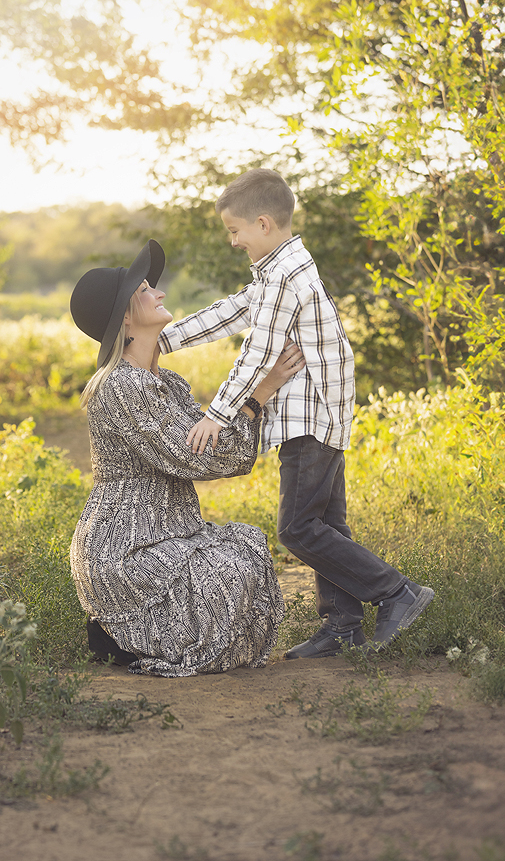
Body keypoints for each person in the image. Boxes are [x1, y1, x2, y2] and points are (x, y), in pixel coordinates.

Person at [158, 168, 434, 657]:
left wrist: (217, 415)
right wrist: (163, 340)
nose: (233, 241)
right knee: (327, 524)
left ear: (263, 224)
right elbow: (229, 313)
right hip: (317, 414)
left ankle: (397, 592)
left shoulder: (285, 275)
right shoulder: (279, 270)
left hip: (312, 417)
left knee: (297, 528)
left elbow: (260, 351)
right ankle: (343, 625)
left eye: (234, 231)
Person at [68, 238, 305, 676]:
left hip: (172, 532)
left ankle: (129, 636)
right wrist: (259, 395)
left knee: (248, 554)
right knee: (228, 578)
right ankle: (123, 634)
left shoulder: (168, 382)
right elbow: (203, 458)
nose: (159, 292)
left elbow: (211, 439)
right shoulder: (122, 386)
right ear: (124, 316)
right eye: (145, 290)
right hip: (126, 547)